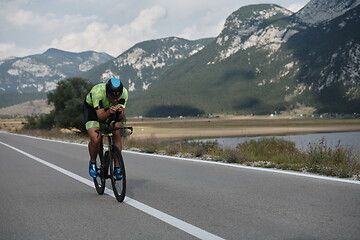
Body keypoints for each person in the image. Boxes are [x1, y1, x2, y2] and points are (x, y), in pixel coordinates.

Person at [83, 78, 128, 179]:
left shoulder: (124, 93)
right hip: (92, 111)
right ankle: (92, 162)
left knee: (116, 128)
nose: (115, 100)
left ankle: (117, 166)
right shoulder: (97, 92)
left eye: (117, 97)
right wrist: (109, 112)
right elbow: (100, 117)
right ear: (107, 92)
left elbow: (120, 117)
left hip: (110, 110)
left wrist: (120, 112)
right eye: (112, 97)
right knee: (96, 138)